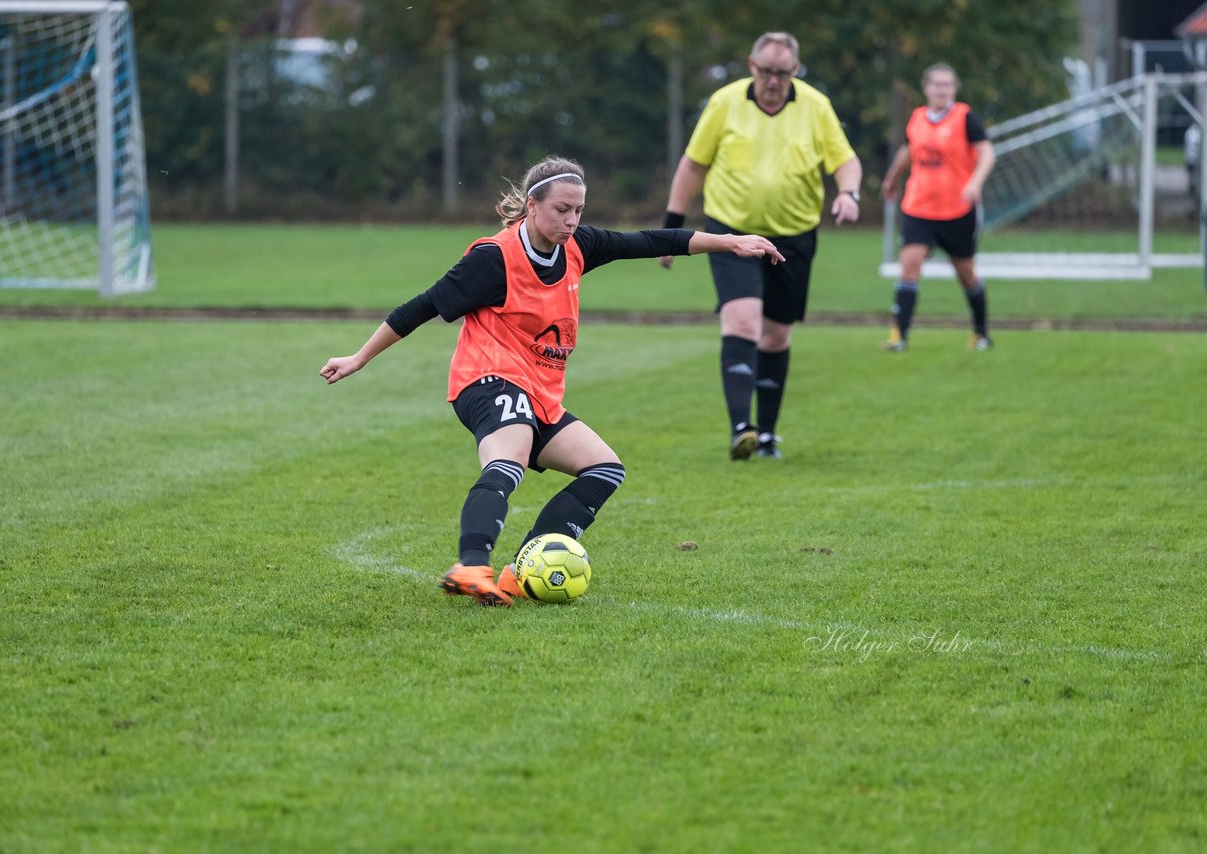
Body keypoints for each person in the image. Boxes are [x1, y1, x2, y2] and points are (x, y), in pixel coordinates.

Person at [320, 156, 782, 606]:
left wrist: (731, 243)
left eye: (579, 210)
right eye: (562, 210)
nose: (571, 221)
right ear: (532, 205)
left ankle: (521, 571)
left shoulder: (578, 245)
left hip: (540, 393)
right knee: (509, 459)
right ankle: (471, 566)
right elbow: (420, 307)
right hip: (487, 379)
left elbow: (648, 240)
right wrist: (360, 357)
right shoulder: (493, 259)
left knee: (604, 469)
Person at [660, 31, 861, 461]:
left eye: (783, 73)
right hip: (732, 232)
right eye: (766, 71)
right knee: (742, 320)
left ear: (795, 71)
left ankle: (767, 435)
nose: (773, 80)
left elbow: (845, 161)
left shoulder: (815, 105)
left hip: (794, 235)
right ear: (752, 67)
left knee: (775, 336)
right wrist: (671, 229)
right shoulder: (724, 103)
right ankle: (741, 429)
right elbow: (693, 166)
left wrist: (849, 193)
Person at [880, 62, 997, 352]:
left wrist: (975, 183)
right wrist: (892, 178)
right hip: (918, 207)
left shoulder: (964, 117)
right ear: (926, 87)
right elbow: (908, 150)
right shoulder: (918, 117)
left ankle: (981, 333)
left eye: (947, 84)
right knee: (910, 265)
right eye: (936, 84)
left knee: (966, 273)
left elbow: (987, 153)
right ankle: (899, 336)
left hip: (957, 210)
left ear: (954, 88)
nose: (941, 89)